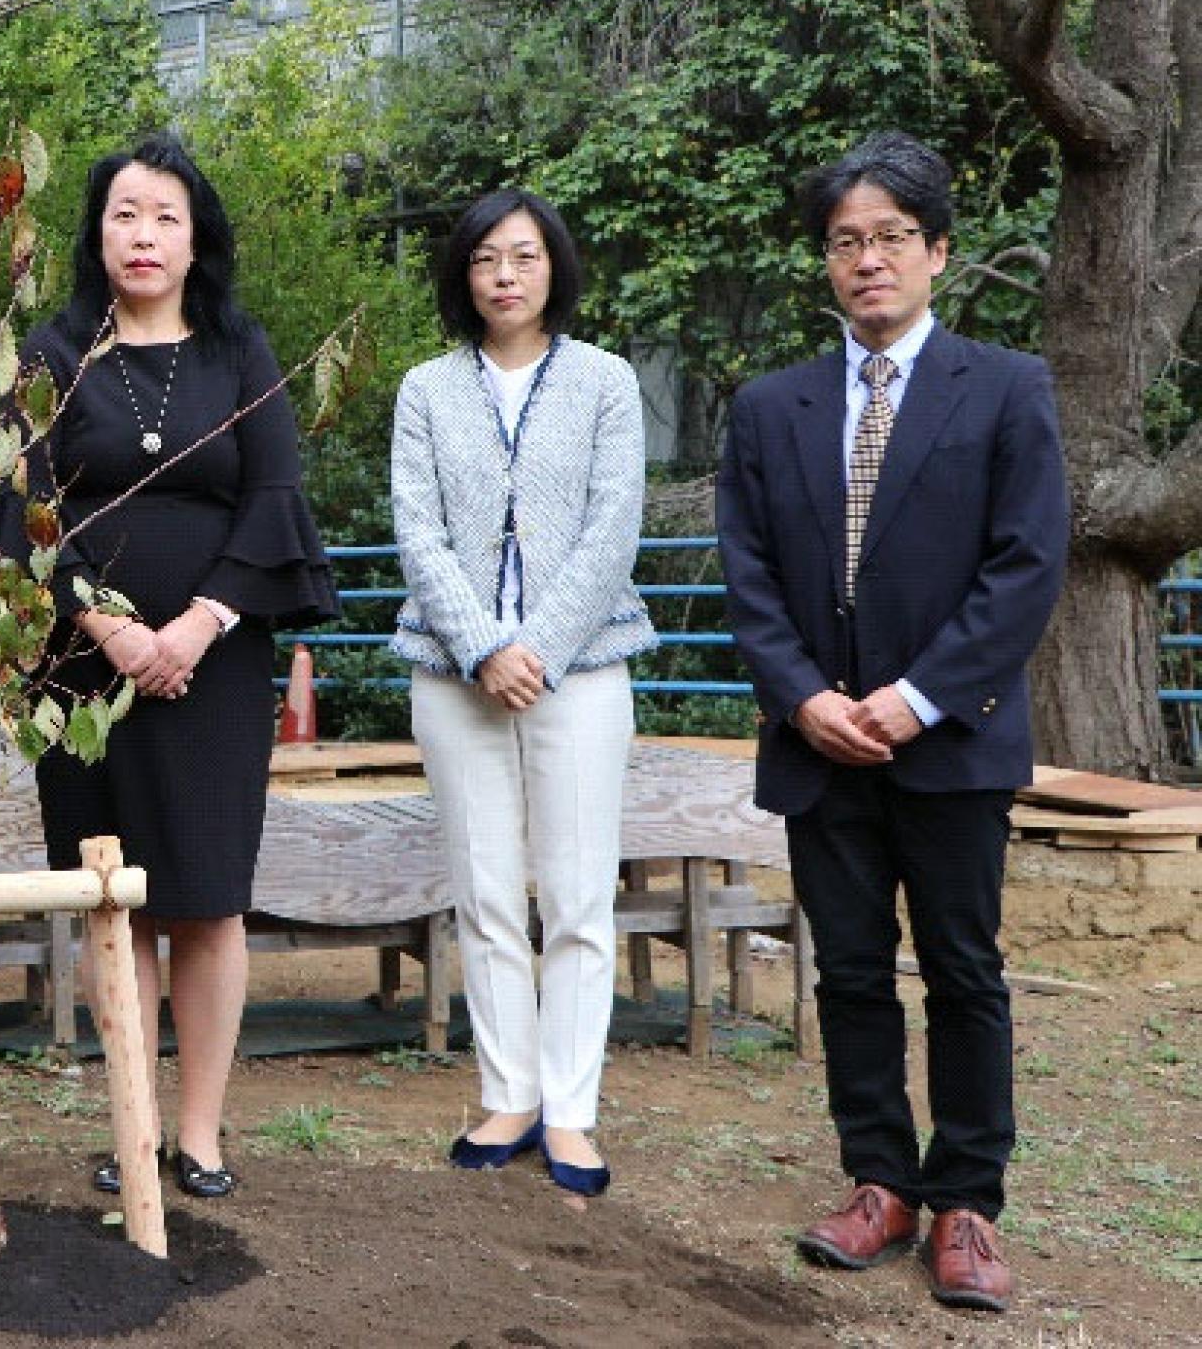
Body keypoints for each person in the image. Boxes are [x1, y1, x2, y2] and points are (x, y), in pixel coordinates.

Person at [717, 131, 1067, 1312]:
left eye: (892, 239)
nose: (869, 260)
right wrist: (806, 696)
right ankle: (880, 1180)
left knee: (965, 970)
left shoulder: (1005, 387)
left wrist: (915, 699)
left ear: (939, 255)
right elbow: (748, 574)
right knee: (852, 972)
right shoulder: (772, 407)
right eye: (846, 240)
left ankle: (967, 1199)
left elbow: (1026, 568)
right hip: (818, 742)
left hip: (953, 738)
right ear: (827, 261)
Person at [12, 132, 337, 1199]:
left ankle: (198, 1133)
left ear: (198, 239)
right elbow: (22, 519)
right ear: (95, 232)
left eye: (165, 217)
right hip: (84, 670)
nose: (144, 235)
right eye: (124, 214)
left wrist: (196, 625)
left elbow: (276, 501)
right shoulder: (52, 356)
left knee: (205, 897)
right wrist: (110, 628)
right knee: (121, 900)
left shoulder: (241, 355)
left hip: (217, 666)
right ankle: (134, 1126)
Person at [387, 189, 655, 1198]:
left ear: (556, 268)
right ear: (464, 275)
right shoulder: (427, 388)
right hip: (454, 676)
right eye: (487, 258)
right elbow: (419, 532)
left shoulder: (604, 381)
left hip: (580, 672)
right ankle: (508, 1090)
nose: (505, 274)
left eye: (525, 256)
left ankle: (573, 1109)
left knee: (580, 893)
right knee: (486, 890)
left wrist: (535, 647)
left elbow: (610, 527)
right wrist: (484, 646)